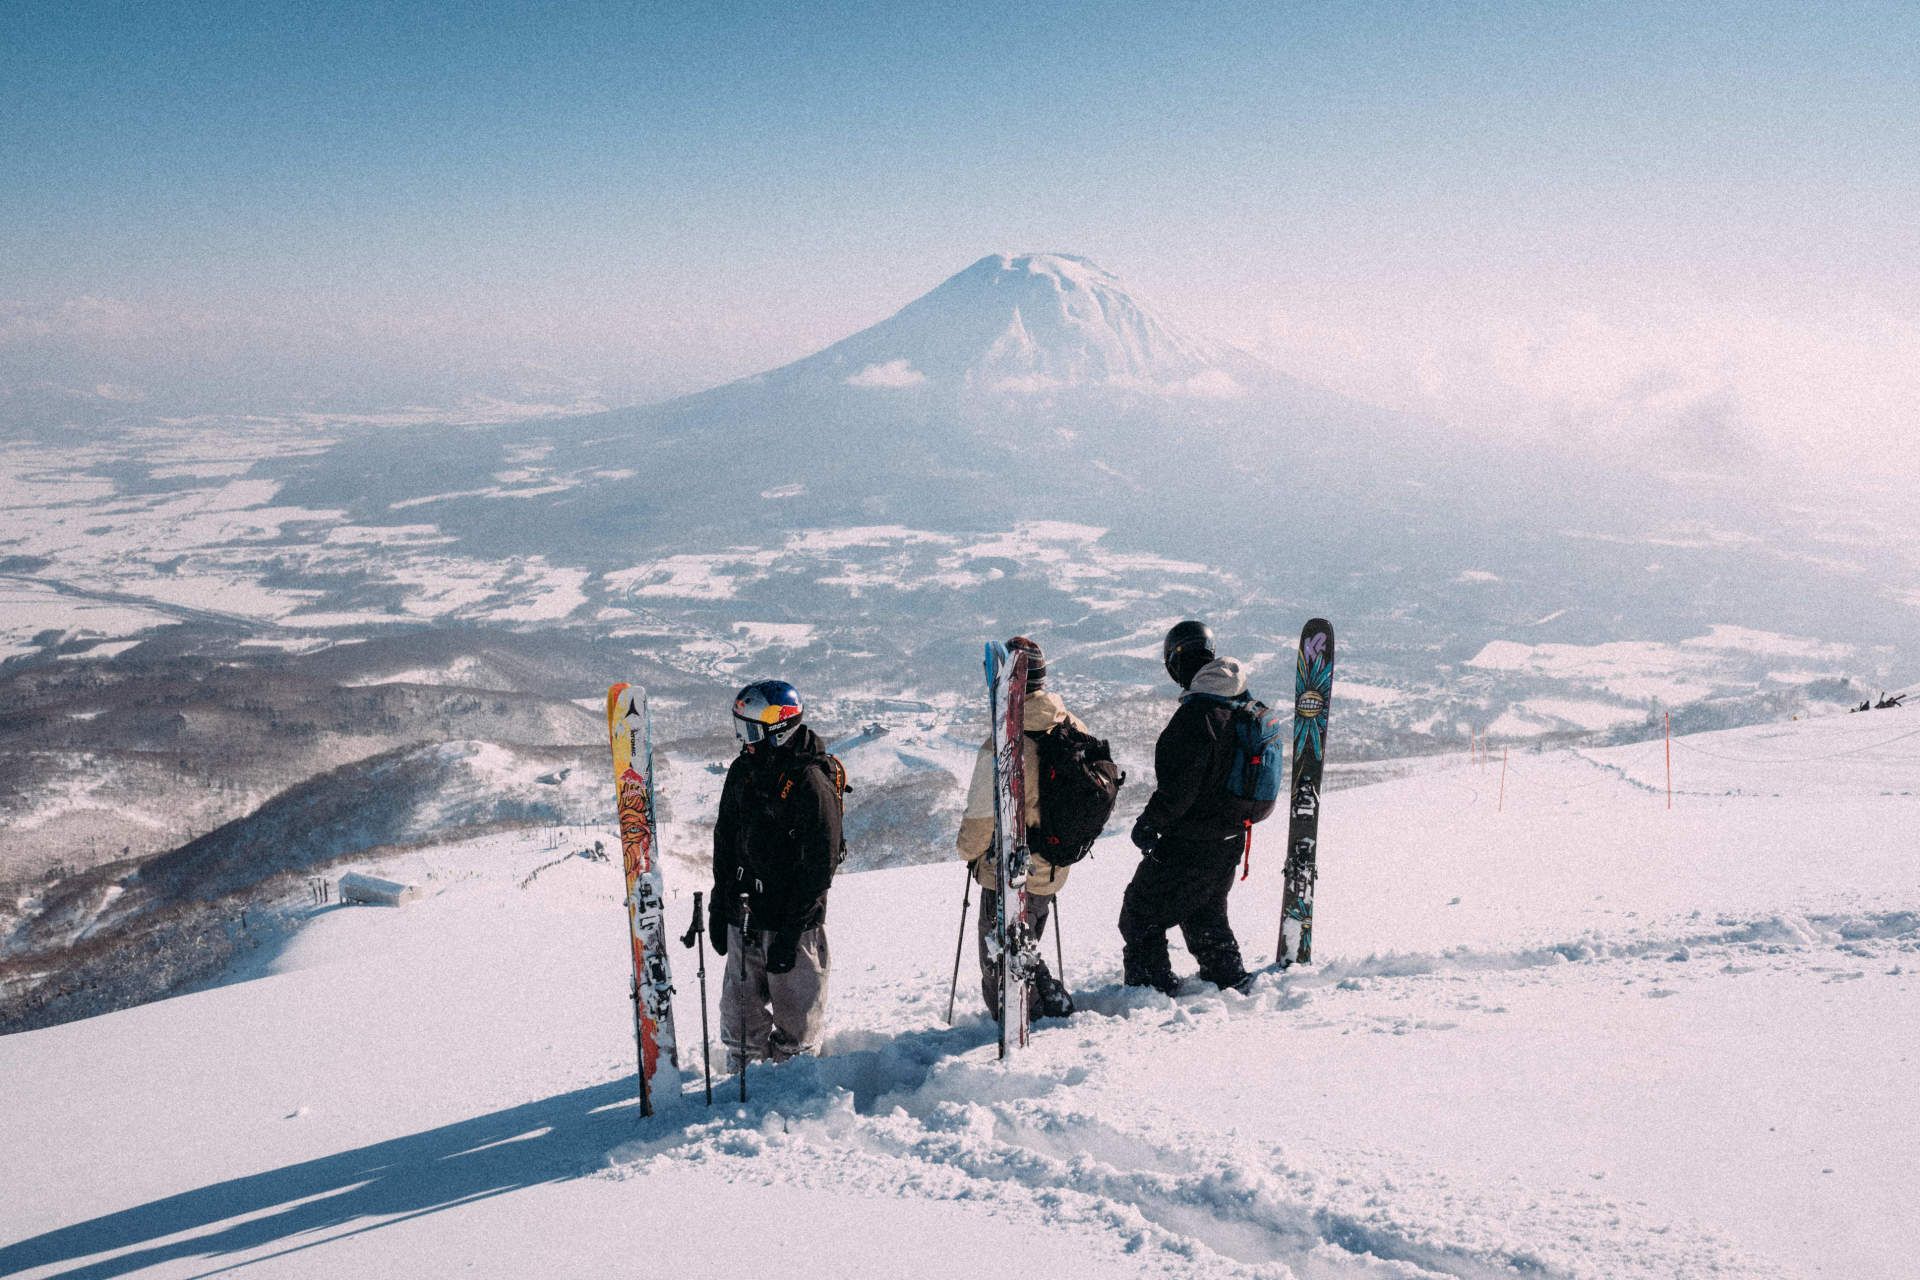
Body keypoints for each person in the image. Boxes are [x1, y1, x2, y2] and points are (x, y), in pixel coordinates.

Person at [710, 679, 842, 1069]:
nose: (744, 741)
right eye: (740, 730)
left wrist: (790, 931)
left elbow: (821, 865)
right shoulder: (743, 771)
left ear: (779, 729)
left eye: (751, 731)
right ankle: (741, 1083)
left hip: (793, 920)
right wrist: (721, 901)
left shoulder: (809, 782)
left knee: (797, 1030)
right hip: (746, 914)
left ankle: (790, 1097)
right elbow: (725, 837)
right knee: (738, 1021)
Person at [1119, 620, 1255, 996]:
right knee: (1204, 909)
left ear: (1175, 662)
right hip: (1230, 837)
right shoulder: (1241, 703)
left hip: (1193, 840)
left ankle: (1149, 991)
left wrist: (1148, 824)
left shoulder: (1197, 718)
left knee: (1139, 912)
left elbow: (1179, 789)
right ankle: (1228, 978)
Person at [956, 636, 1079, 1021]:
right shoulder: (1072, 727)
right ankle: (1049, 1007)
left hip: (1007, 876)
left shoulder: (1003, 743)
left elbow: (977, 829)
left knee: (1001, 971)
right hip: (1054, 867)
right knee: (1024, 947)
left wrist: (967, 853)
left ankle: (1035, 1022)